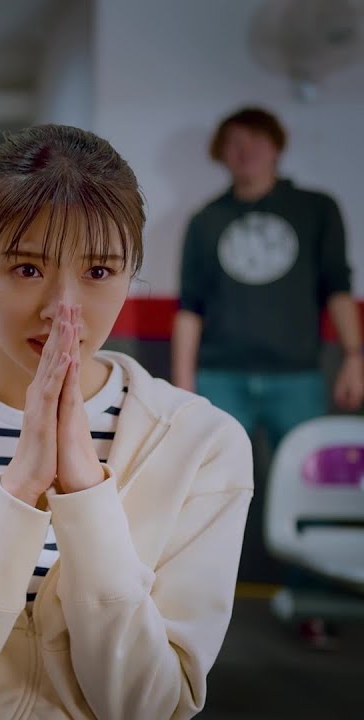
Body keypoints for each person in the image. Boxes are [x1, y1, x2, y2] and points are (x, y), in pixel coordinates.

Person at [0, 124, 252, 719]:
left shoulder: (201, 442)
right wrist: (19, 488)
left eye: (99, 272)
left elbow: (152, 706)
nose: (63, 309)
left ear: (131, 271)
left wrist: (85, 494)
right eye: (27, 269)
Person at [171, 106, 362, 648]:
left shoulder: (315, 208)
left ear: (276, 145)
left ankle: (311, 606)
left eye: (255, 138)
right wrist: (182, 386)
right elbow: (189, 306)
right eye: (233, 141)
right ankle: (197, 602)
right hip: (219, 374)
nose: (245, 149)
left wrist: (355, 355)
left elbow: (338, 286)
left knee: (311, 492)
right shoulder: (206, 219)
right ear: (221, 153)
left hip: (296, 375)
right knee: (207, 491)